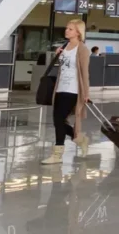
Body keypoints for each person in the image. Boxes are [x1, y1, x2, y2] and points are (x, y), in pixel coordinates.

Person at [42, 19, 91, 164]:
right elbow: (62, 68)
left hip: (73, 90)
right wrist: (58, 55)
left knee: (59, 120)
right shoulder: (65, 46)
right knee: (58, 121)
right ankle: (80, 139)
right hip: (60, 88)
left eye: (70, 29)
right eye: (67, 28)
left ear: (78, 32)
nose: (66, 31)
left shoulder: (82, 49)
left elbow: (84, 72)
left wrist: (86, 93)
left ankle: (57, 155)